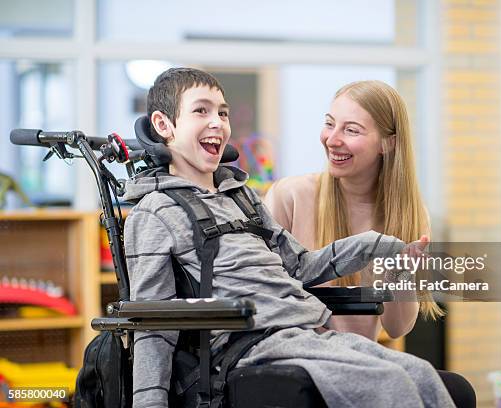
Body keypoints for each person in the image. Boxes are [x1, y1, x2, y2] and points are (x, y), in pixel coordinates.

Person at [123, 68, 455, 408]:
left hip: (302, 330)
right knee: (389, 382)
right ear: (164, 126)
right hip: (250, 341)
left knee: (423, 375)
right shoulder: (155, 212)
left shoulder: (243, 198)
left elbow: (300, 265)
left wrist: (377, 245)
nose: (217, 122)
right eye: (201, 111)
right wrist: (149, 403)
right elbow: (152, 321)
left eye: (223, 113)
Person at [264, 80, 444, 341]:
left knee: (455, 384)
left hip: (356, 359)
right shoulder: (288, 196)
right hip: (292, 356)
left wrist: (398, 275)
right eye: (329, 124)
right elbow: (260, 296)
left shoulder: (410, 216)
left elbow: (397, 328)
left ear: (388, 143)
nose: (332, 139)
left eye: (351, 130)